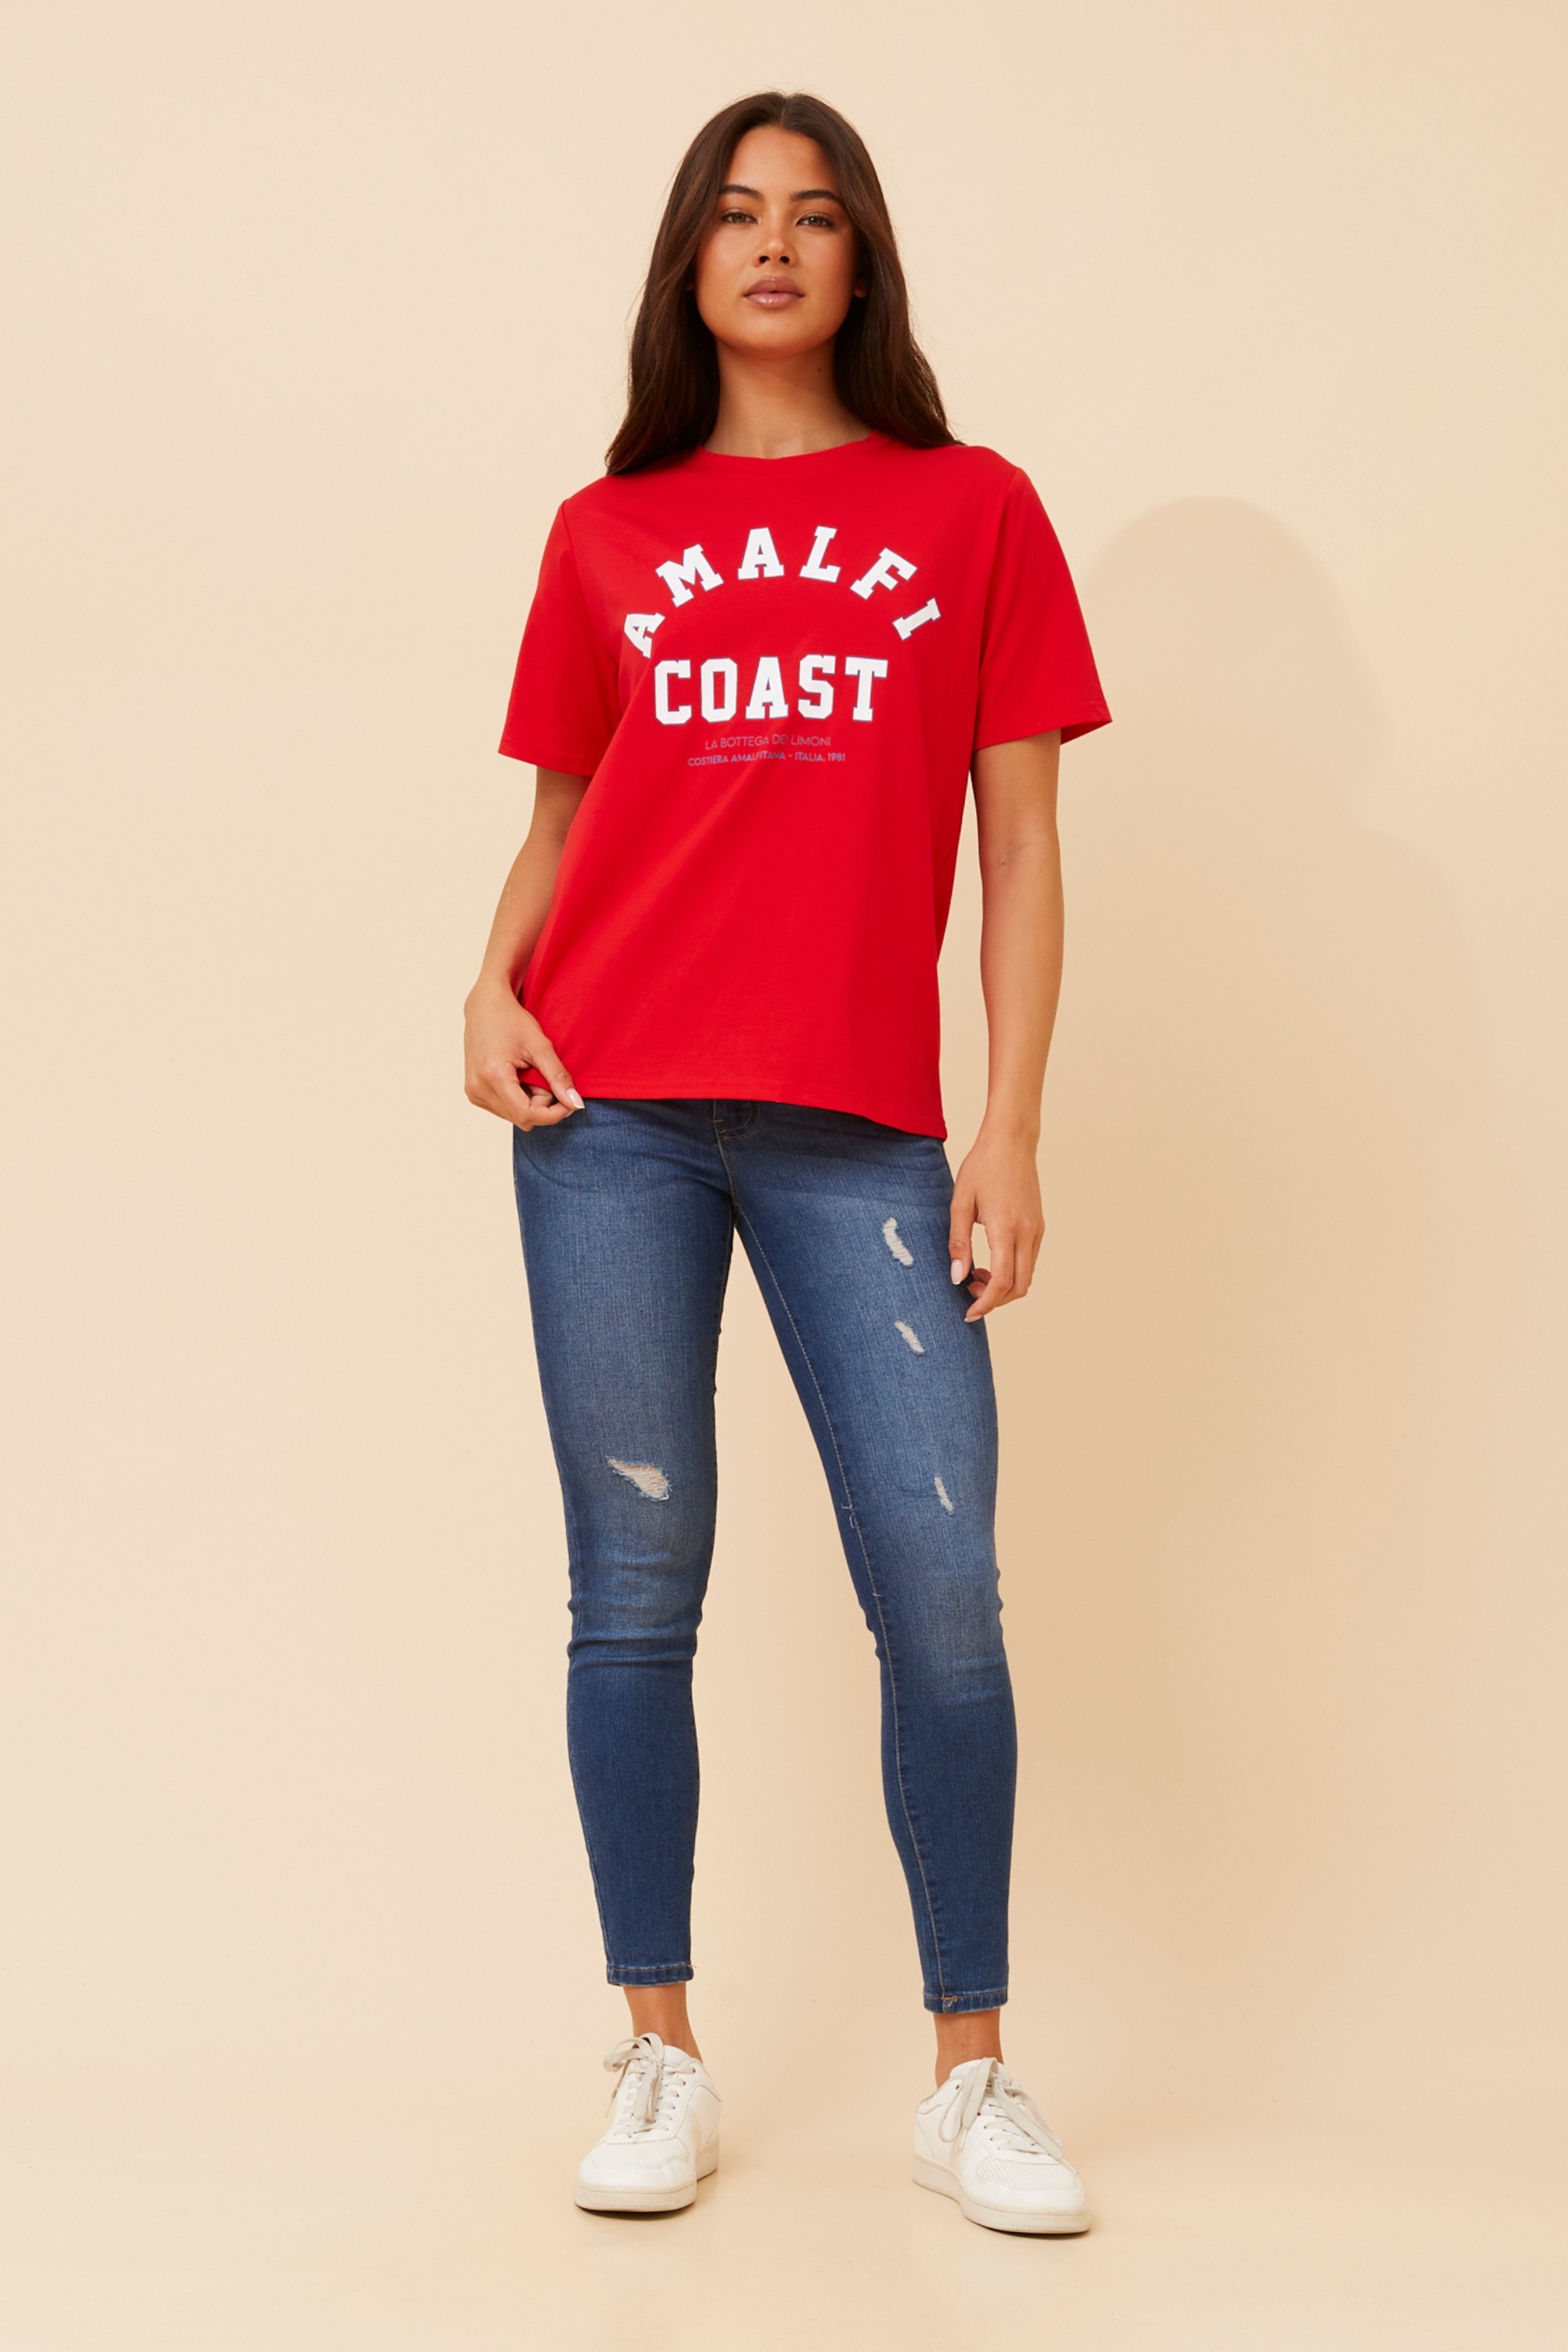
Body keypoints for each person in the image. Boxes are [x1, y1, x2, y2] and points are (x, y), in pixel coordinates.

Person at [463, 89, 1109, 2235]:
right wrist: (486, 984)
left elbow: (1023, 844)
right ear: (689, 258)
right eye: (737, 214)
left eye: (815, 216)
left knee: (944, 1595)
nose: (773, 244)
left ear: (861, 260)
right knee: (633, 1592)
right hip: (610, 1111)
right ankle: (657, 2051)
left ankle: (970, 2077)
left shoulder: (973, 509)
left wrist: (1009, 1123)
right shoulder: (605, 532)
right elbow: (566, 822)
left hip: (865, 1132)